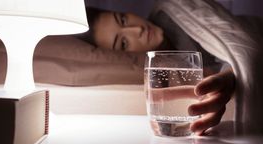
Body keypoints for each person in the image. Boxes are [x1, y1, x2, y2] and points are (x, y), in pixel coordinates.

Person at [81, 3, 236, 136]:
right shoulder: (159, 73)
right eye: (123, 43)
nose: (137, 30)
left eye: (123, 19)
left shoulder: (173, 12)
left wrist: (231, 74)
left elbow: (239, 48)